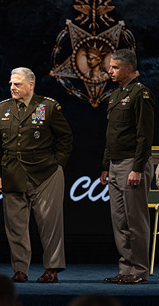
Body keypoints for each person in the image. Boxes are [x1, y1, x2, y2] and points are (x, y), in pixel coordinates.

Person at [0, 67, 72, 283]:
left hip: (45, 172)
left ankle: (52, 269)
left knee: (50, 224)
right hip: (12, 172)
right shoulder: (2, 109)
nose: (12, 87)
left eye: (17, 84)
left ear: (31, 85)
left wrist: (58, 164)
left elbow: (66, 137)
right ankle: (20, 270)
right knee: (15, 225)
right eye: (10, 84)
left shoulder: (48, 106)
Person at [100, 49, 155, 285]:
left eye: (114, 67)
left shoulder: (141, 94)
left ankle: (139, 271)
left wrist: (137, 168)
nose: (109, 71)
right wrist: (105, 166)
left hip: (132, 164)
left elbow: (145, 135)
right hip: (114, 164)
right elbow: (112, 135)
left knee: (136, 221)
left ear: (129, 69)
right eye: (110, 67)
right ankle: (126, 270)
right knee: (120, 221)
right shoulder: (116, 95)